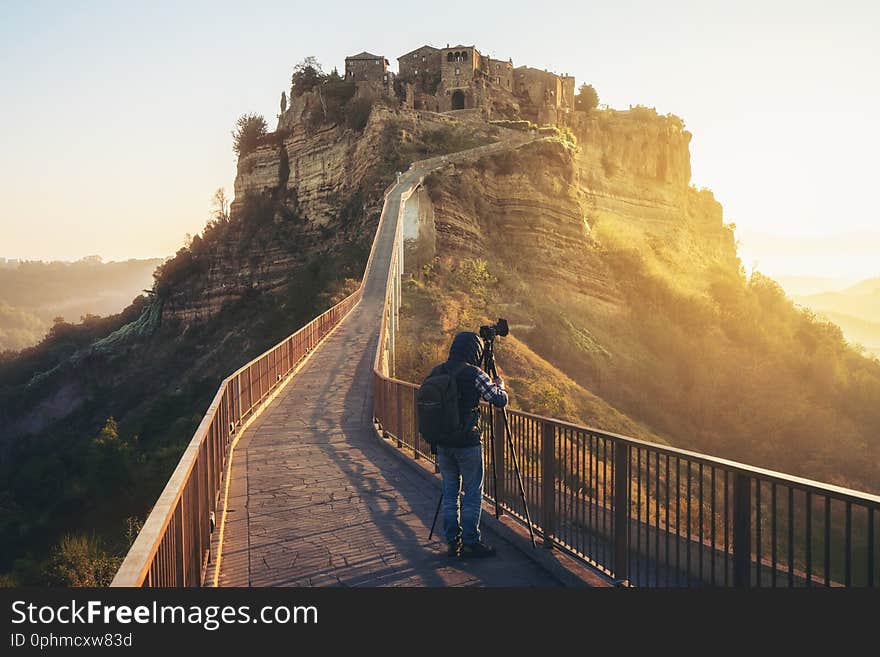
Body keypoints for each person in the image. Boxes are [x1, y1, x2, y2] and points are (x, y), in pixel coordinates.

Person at [430, 331, 508, 558]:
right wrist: (500, 385)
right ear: (475, 352)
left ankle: (452, 540)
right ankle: (472, 542)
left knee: (450, 491)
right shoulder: (474, 373)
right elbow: (498, 400)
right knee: (473, 492)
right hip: (468, 444)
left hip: (443, 444)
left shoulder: (437, 371)